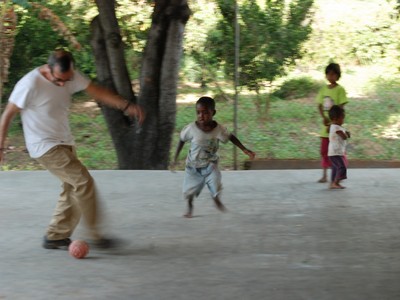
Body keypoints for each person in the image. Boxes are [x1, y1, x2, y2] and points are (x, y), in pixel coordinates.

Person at [0, 49, 145, 250]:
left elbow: (96, 91)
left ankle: (55, 236)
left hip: (64, 140)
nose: (63, 84)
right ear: (47, 69)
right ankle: (96, 235)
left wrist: (126, 106)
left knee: (71, 188)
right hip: (43, 145)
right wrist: (1, 146)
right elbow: (7, 114)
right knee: (83, 182)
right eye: (59, 80)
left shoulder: (70, 76)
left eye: (67, 80)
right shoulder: (29, 84)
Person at [172, 96, 255, 218]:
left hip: (210, 164)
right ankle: (190, 207)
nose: (201, 116)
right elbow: (181, 140)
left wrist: (244, 149)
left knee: (215, 182)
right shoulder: (191, 128)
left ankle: (215, 197)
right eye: (198, 112)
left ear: (213, 113)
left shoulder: (218, 129)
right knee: (190, 191)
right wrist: (175, 158)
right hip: (193, 166)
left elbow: (231, 137)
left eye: (205, 112)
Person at [316, 63, 348, 183]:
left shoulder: (340, 90)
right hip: (325, 128)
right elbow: (319, 105)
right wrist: (324, 117)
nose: (331, 76)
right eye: (328, 73)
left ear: (338, 75)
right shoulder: (323, 89)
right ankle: (324, 175)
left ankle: (338, 175)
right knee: (324, 151)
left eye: (333, 74)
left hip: (335, 126)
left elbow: (341, 106)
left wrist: (333, 121)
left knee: (337, 150)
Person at [328, 105, 350, 189]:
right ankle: (336, 182)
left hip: (334, 152)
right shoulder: (336, 127)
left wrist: (345, 132)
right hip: (336, 152)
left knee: (335, 167)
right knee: (342, 166)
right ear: (335, 118)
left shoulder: (335, 126)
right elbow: (343, 136)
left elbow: (342, 132)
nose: (343, 120)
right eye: (342, 118)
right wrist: (346, 134)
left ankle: (333, 183)